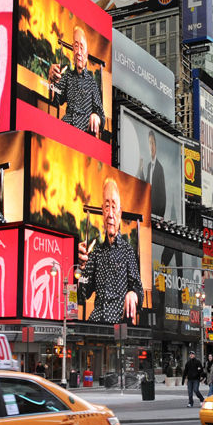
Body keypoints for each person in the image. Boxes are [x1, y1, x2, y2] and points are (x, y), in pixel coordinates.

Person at [77, 177, 143, 323]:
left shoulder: (127, 251)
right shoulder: (96, 253)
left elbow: (139, 289)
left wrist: (133, 294)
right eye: (107, 207)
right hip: (97, 322)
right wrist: (80, 269)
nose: (110, 214)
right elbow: (82, 294)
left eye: (114, 207)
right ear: (102, 212)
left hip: (119, 323)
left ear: (120, 213)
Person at [48, 26, 105, 137]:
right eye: (76, 46)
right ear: (73, 51)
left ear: (86, 55)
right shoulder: (67, 77)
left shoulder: (92, 83)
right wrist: (51, 81)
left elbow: (101, 115)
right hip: (66, 127)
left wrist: (96, 117)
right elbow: (55, 99)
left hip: (84, 132)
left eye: (81, 47)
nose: (78, 52)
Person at [136, 130, 166, 217]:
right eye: (150, 143)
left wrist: (159, 217)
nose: (151, 146)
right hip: (147, 212)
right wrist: (141, 171)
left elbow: (162, 198)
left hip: (155, 215)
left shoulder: (160, 168)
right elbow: (146, 188)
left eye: (153, 143)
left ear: (155, 146)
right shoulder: (149, 166)